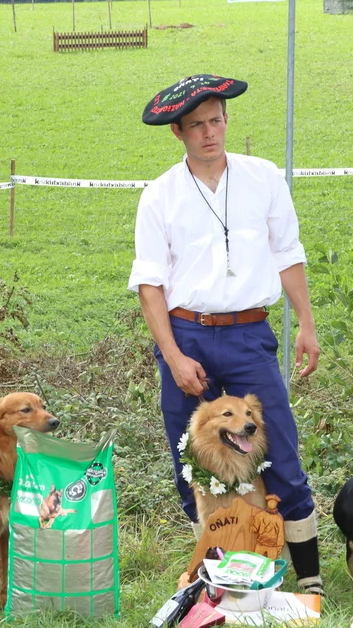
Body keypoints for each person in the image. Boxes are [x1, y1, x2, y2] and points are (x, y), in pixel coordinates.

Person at [129, 75, 324, 594]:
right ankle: (216, 576)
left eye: (216, 121)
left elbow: (288, 253)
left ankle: (310, 579)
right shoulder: (159, 195)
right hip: (186, 334)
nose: (210, 133)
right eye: (197, 126)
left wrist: (306, 324)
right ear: (178, 133)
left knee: (279, 451)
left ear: (227, 120)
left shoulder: (264, 178)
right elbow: (149, 285)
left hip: (248, 334)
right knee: (190, 459)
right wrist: (173, 356)